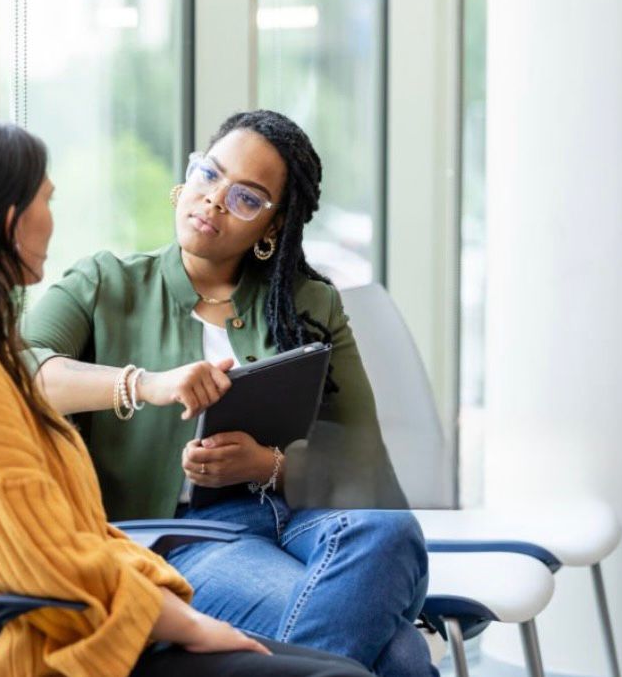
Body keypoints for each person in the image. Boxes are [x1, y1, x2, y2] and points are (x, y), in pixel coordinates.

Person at [0, 116, 372, 677]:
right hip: (55, 649)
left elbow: (57, 537)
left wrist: (168, 595)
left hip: (96, 617)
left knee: (375, 620)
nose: (216, 201)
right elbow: (36, 556)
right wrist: (185, 620)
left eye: (248, 197)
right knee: (351, 670)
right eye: (47, 200)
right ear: (11, 222)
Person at [23, 110, 437, 676]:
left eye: (246, 198)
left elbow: (365, 466)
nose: (215, 201)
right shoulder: (105, 282)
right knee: (401, 653)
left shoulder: (309, 303)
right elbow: (21, 372)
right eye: (208, 175)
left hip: (303, 521)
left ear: (274, 226)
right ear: (185, 179)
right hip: (179, 538)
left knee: (390, 532)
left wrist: (267, 465)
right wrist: (146, 384)